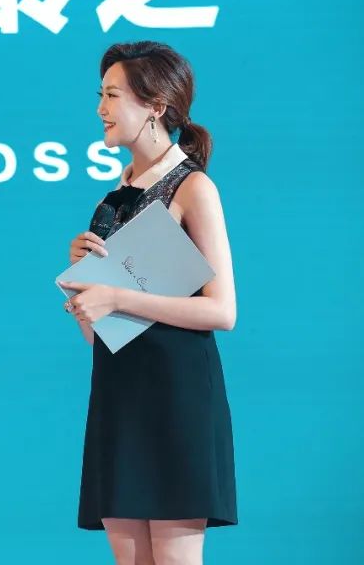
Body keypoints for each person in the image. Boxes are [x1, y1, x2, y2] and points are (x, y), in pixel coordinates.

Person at [60, 42, 237, 564]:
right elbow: (100, 334)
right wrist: (81, 290)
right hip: (119, 392)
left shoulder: (193, 187)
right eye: (101, 95)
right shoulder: (111, 200)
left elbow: (222, 311)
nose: (101, 109)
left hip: (177, 395)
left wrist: (117, 294)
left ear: (156, 106)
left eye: (113, 95)